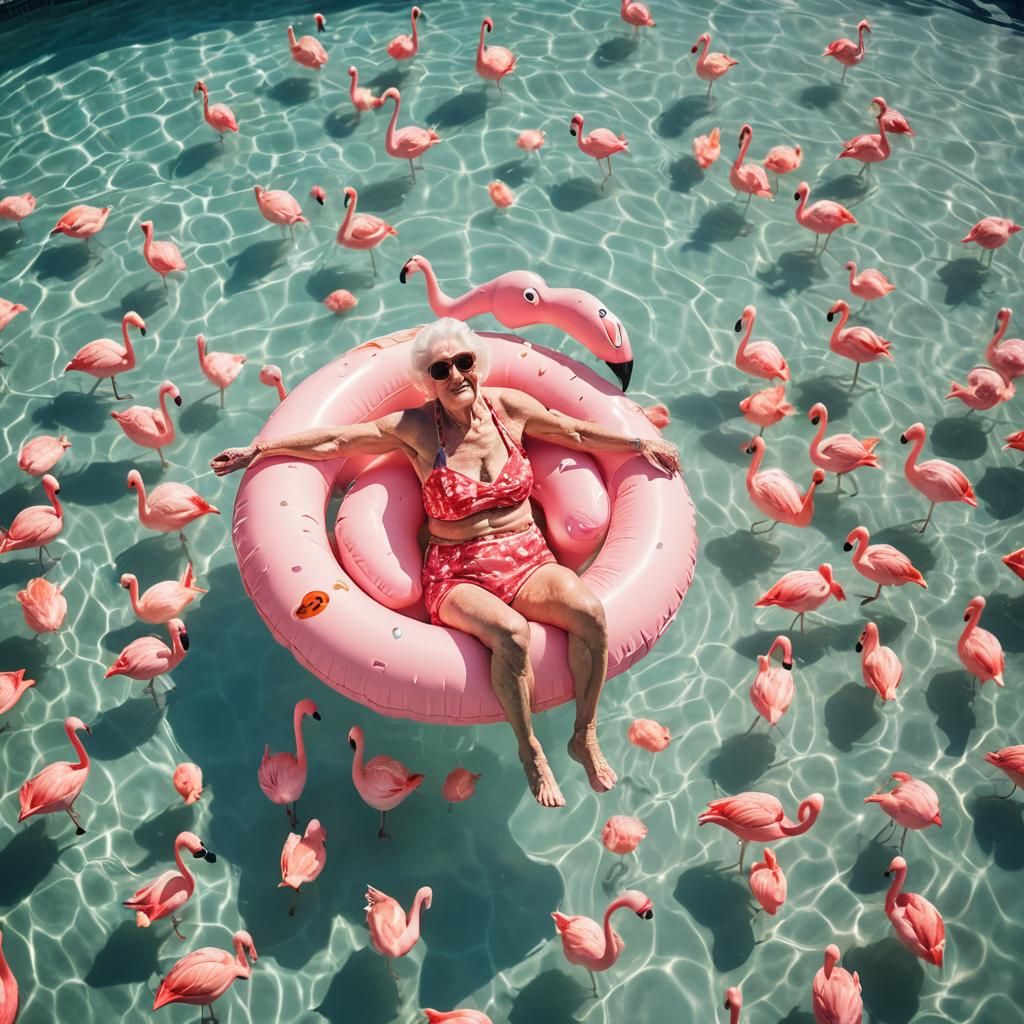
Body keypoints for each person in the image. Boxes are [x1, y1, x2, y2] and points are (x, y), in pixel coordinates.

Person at [211, 318, 681, 808]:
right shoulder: (416, 427)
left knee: (590, 613)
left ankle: (583, 734)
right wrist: (259, 450)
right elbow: (337, 441)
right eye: (441, 369)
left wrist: (638, 444)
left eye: (464, 362)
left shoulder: (509, 409)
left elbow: (574, 433)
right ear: (427, 380)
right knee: (512, 635)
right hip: (457, 570)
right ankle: (531, 752)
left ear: (478, 363)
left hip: (527, 555)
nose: (456, 375)